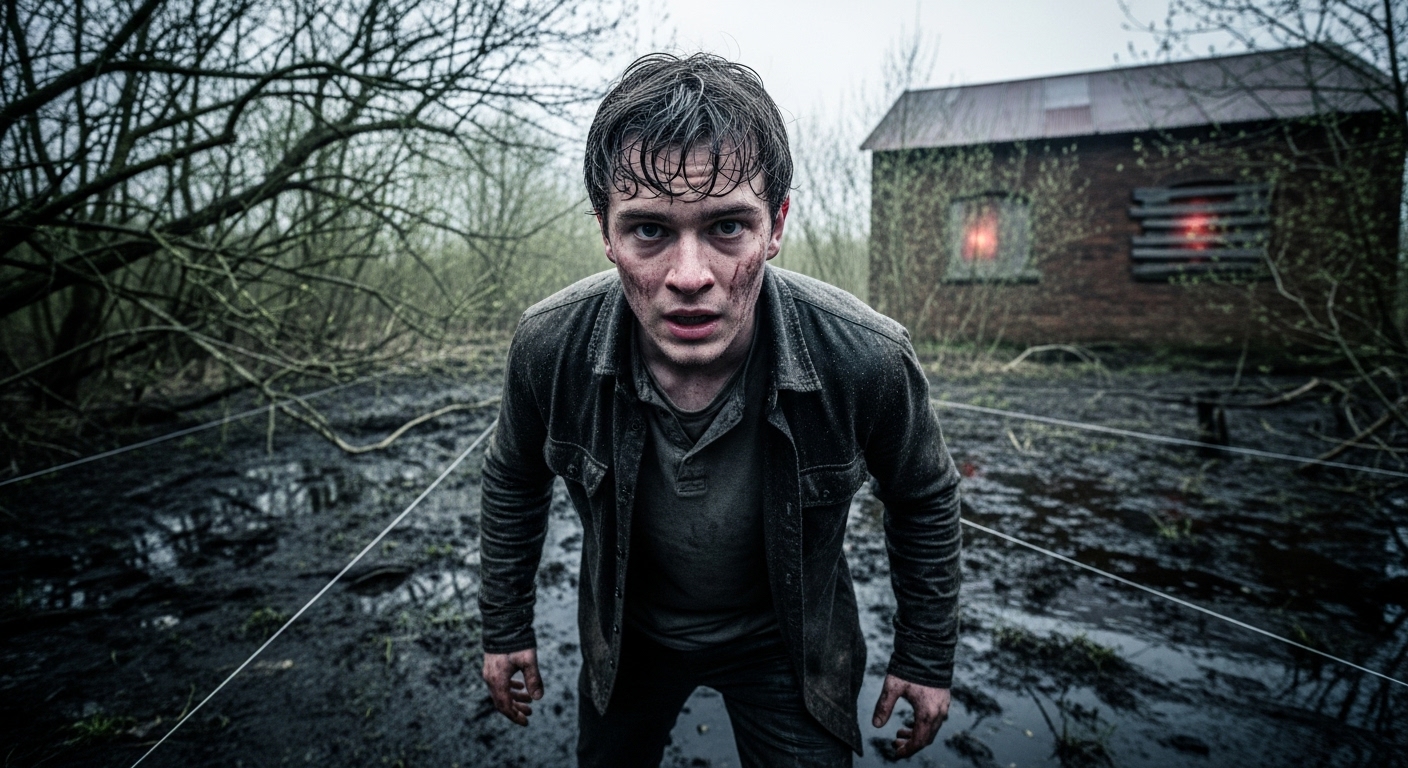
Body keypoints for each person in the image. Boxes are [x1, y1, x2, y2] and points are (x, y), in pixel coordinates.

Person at [478, 52, 962, 768]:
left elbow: (923, 497)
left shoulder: (866, 359)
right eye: (648, 230)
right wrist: (505, 626)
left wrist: (924, 655)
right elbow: (514, 477)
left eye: (728, 227)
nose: (690, 276)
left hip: (788, 645)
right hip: (628, 637)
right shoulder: (550, 347)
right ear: (605, 233)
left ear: (777, 224)